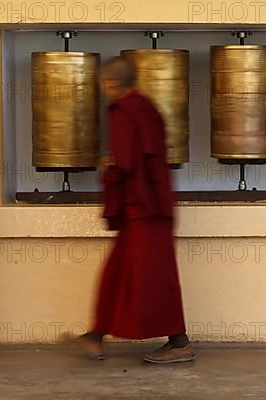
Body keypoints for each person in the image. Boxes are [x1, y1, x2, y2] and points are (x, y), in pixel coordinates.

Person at [75, 56, 194, 364]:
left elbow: (126, 162)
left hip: (141, 207)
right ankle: (96, 334)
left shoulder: (123, 112)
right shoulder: (147, 107)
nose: (104, 89)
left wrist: (109, 165)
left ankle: (179, 342)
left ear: (112, 84)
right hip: (153, 204)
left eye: (104, 83)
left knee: (152, 277)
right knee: (122, 272)